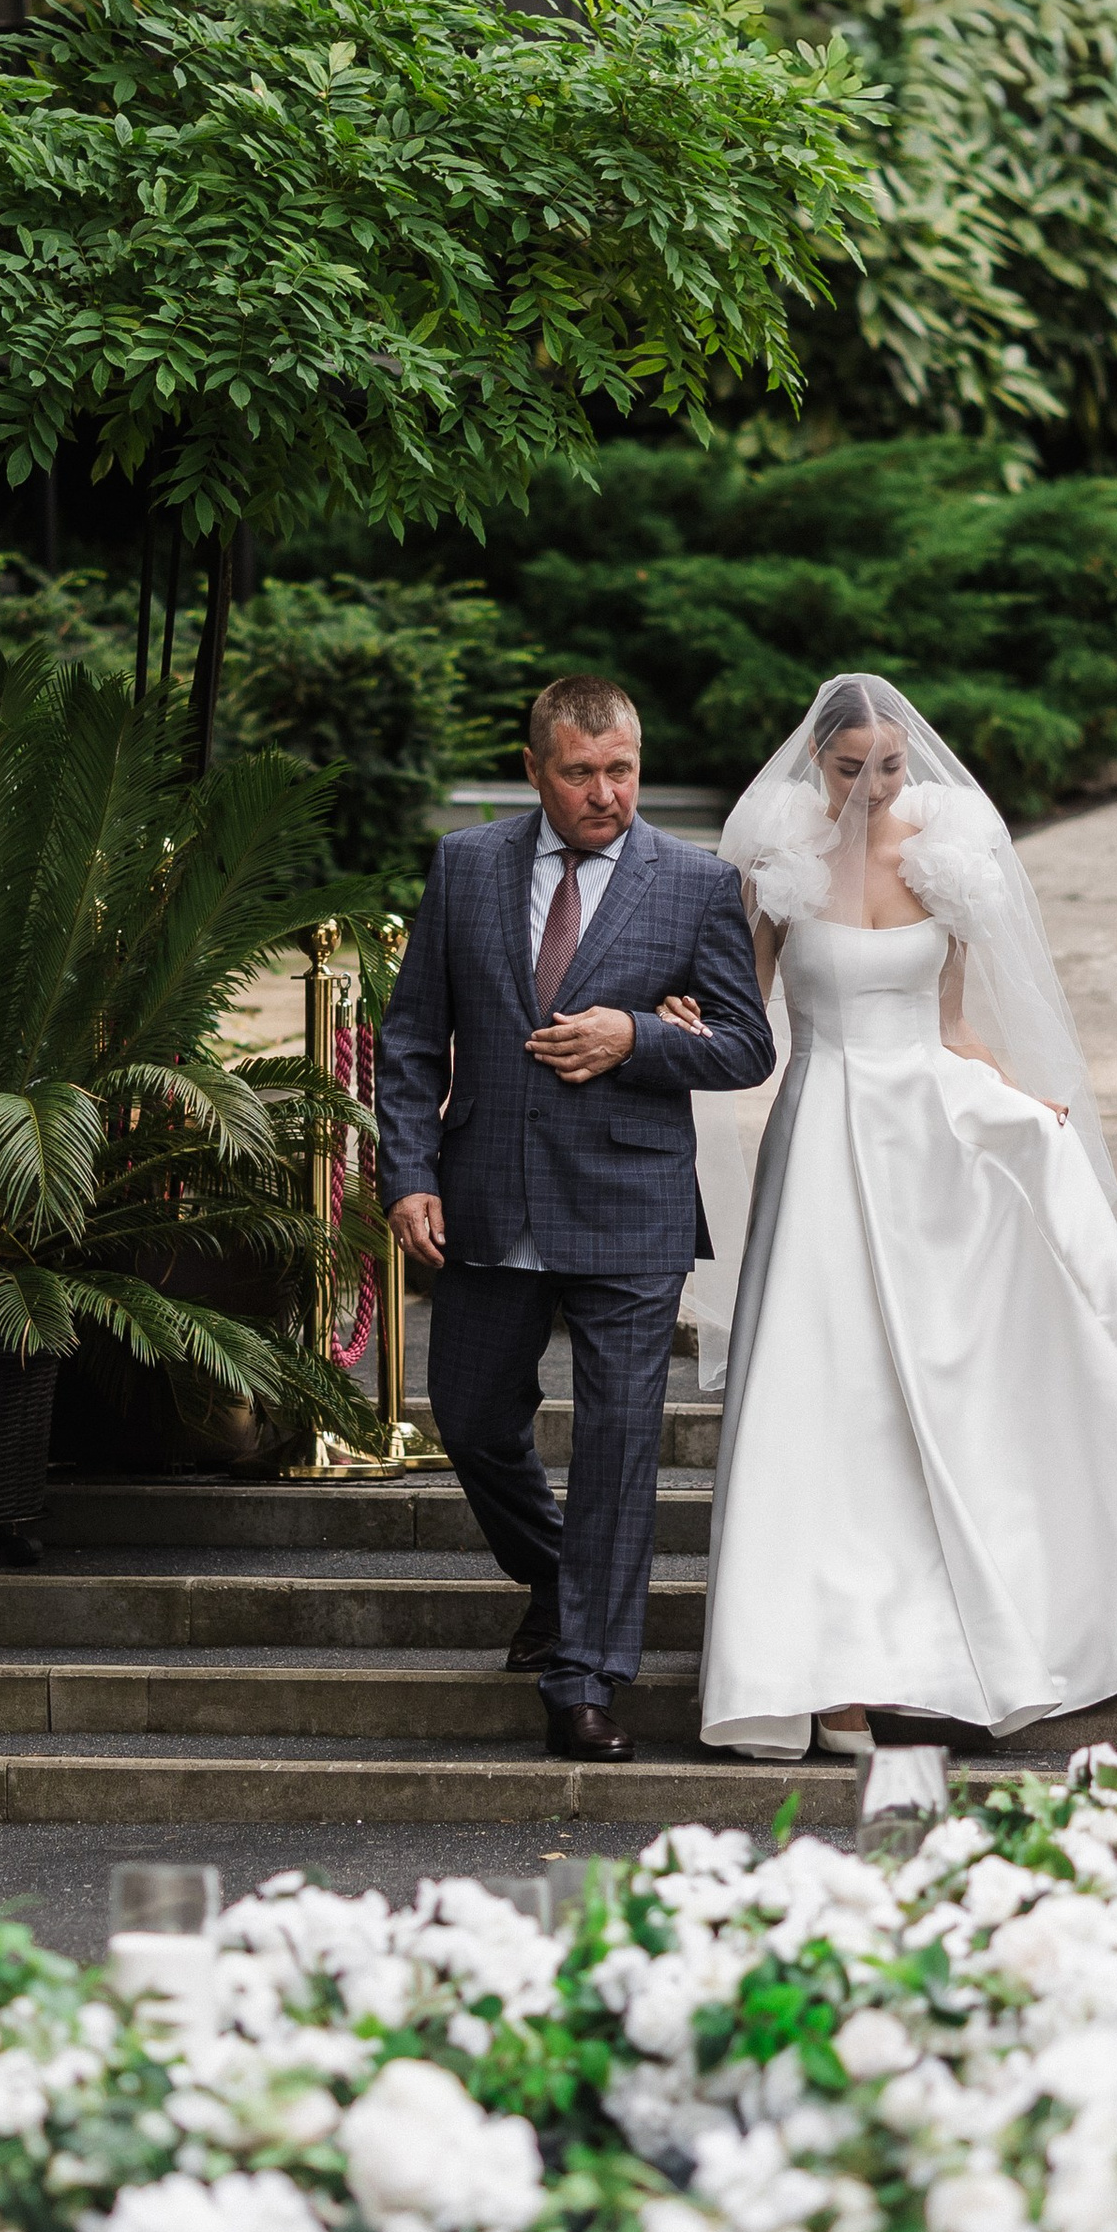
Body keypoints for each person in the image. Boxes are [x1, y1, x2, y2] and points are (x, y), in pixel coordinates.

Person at [672, 672, 1117, 1760]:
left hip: (932, 1143)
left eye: (890, 768)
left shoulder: (947, 855)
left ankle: (984, 1628)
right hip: (819, 1138)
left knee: (954, 1383)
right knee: (827, 1394)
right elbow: (744, 1022)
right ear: (819, 762)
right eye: (852, 768)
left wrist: (1015, 1097)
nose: (872, 787)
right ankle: (822, 1665)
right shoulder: (776, 865)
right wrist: (684, 1018)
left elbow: (951, 1023)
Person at [378, 674, 777, 1764]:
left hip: (630, 1202)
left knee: (614, 1443)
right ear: (535, 769)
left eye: (622, 770)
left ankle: (588, 1677)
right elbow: (413, 1035)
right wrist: (409, 1171)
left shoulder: (696, 882)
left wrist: (636, 1038)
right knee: (468, 1416)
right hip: (489, 1196)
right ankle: (560, 1575)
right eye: (581, 772)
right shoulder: (466, 866)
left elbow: (746, 1047)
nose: (606, 794)